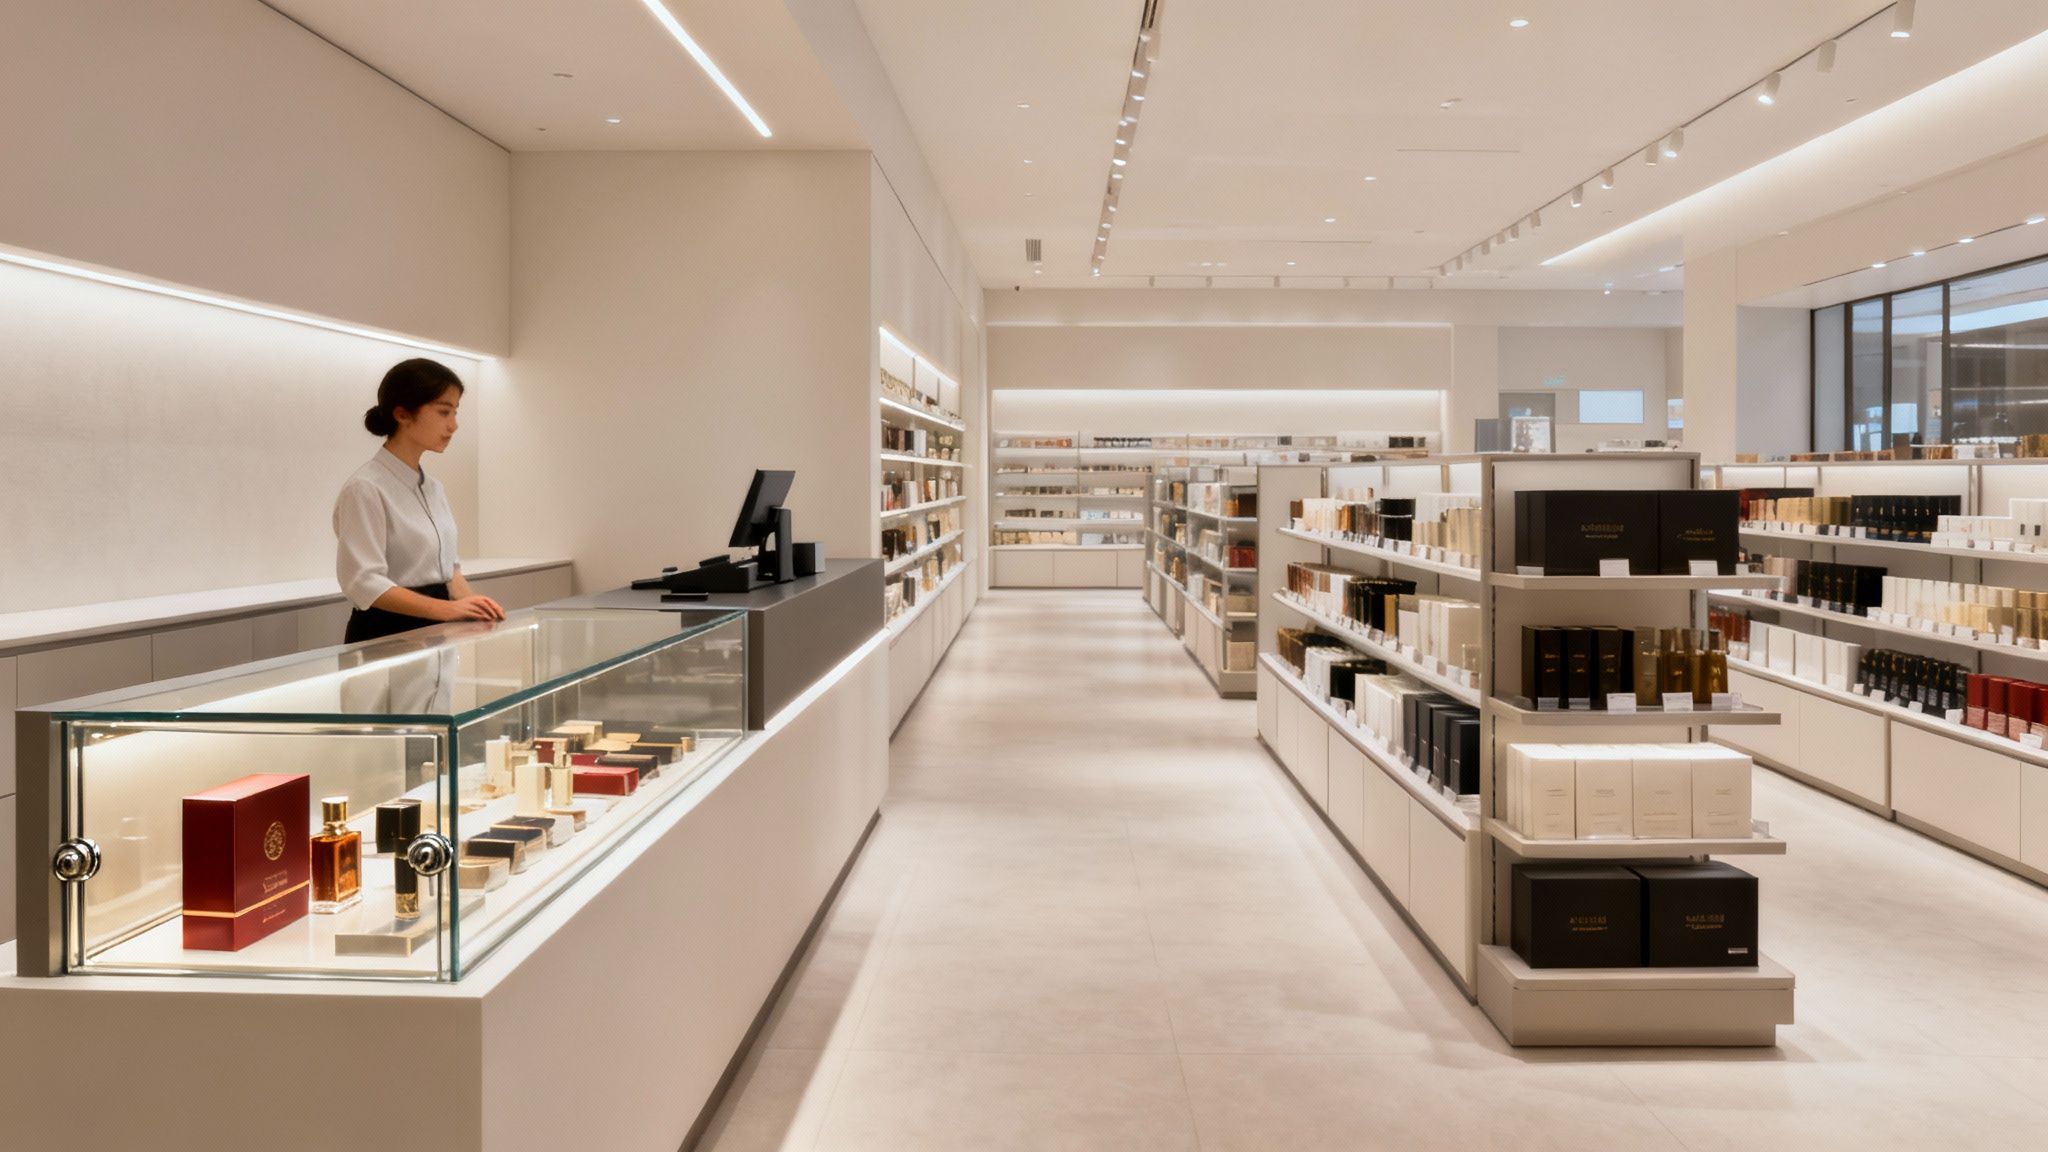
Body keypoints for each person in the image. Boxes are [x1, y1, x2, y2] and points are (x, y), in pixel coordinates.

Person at [334, 358, 504, 643]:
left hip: (437, 630)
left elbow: (450, 570)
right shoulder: (365, 488)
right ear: (402, 414)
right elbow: (363, 582)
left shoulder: (434, 488)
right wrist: (448, 610)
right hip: (385, 634)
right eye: (444, 412)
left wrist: (477, 609)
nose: (454, 425)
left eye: (455, 412)